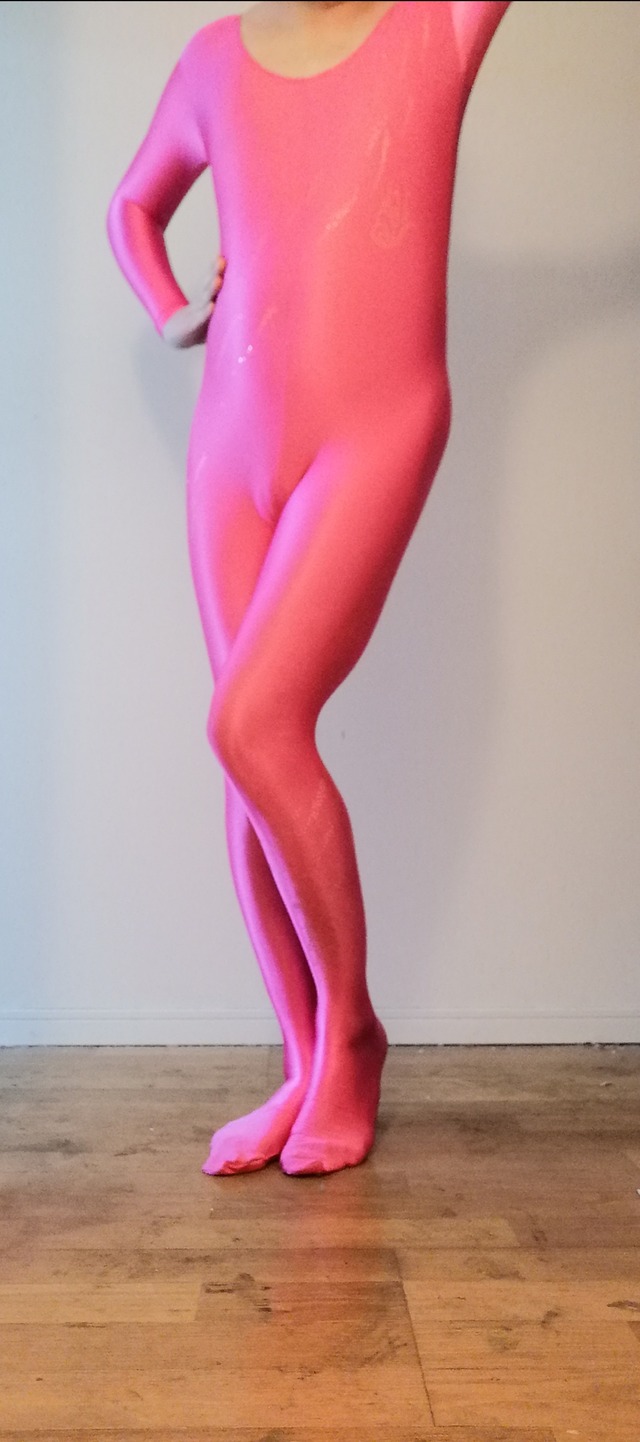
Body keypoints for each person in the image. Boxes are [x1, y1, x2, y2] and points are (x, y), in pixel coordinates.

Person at [107, 0, 512, 1176]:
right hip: (228, 446)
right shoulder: (211, 59)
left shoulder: (435, 25)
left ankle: (353, 1036)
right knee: (250, 762)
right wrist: (174, 313)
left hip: (375, 428)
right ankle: (302, 1058)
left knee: (253, 720)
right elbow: (133, 205)